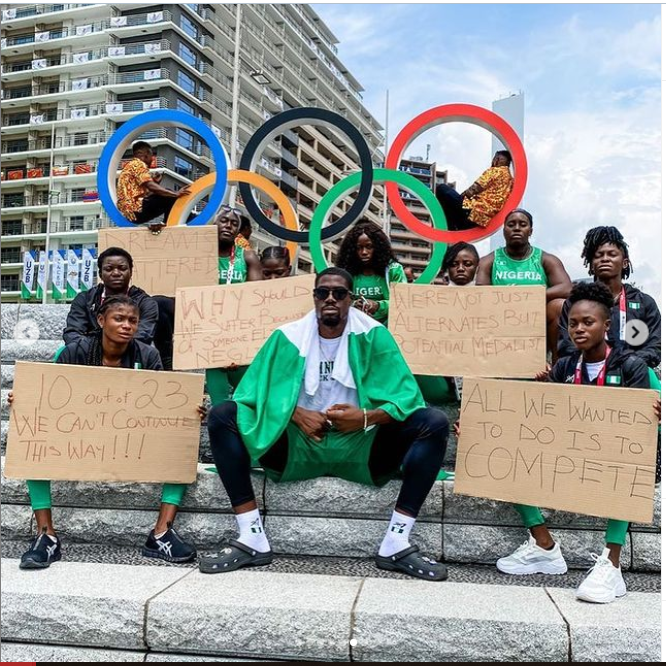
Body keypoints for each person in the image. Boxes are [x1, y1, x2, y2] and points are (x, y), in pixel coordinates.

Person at [200, 268, 449, 580]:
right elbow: (252, 393)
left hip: (361, 445)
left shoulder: (373, 334)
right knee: (223, 415)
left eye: (339, 293)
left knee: (434, 422)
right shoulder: (287, 336)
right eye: (322, 292)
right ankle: (251, 537)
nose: (330, 298)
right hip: (300, 443)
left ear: (352, 299)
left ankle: (396, 542)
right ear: (314, 297)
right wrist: (294, 414)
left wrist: (365, 418)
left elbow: (408, 399)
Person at [457, 282, 659, 603]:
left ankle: (612, 564)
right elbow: (537, 423)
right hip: (568, 459)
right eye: (573, 323)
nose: (578, 329)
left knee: (628, 461)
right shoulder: (564, 367)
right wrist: (480, 426)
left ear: (606, 326)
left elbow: (645, 422)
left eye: (588, 322)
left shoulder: (632, 367)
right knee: (506, 454)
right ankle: (544, 546)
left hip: (611, 461)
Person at [9, 296, 203, 569]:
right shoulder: (74, 353)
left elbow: (164, 410)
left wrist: (189, 411)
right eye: (119, 319)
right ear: (101, 321)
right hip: (78, 437)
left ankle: (161, 532)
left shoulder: (148, 355)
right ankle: (46, 535)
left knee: (182, 440)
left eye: (132, 321)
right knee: (34, 443)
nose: (127, 326)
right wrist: (25, 399)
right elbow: (47, 398)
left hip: (132, 440)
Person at [153, 205, 262, 372]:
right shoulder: (194, 251)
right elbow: (162, 259)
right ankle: (167, 358)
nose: (228, 226)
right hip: (197, 312)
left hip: (230, 316)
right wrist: (159, 236)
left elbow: (255, 298)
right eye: (223, 221)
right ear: (213, 224)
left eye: (234, 223)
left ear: (238, 230)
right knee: (158, 303)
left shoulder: (247, 256)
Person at [476, 208, 572, 361]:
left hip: (536, 320)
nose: (517, 228)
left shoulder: (546, 259)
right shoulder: (489, 261)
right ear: (504, 230)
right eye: (511, 224)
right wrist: (511, 300)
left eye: (522, 224)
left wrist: (527, 296)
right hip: (500, 319)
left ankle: (556, 365)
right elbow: (480, 294)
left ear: (530, 231)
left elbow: (567, 288)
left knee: (559, 306)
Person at [558, 226, 661, 367]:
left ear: (625, 263)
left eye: (612, 254)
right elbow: (566, 346)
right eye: (598, 255)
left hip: (633, 374)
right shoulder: (575, 303)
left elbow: (655, 346)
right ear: (591, 264)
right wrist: (597, 362)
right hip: (585, 373)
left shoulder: (644, 303)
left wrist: (627, 363)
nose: (605, 259)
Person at [63, 247, 158, 346]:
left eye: (122, 268)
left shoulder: (145, 303)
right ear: (100, 274)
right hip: (88, 355)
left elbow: (142, 337)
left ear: (131, 273)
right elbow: (73, 334)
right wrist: (96, 352)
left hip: (129, 357)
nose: (116, 273)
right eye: (109, 269)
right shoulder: (85, 299)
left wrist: (111, 351)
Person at [335, 219, 407, 324]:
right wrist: (354, 305)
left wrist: (378, 306)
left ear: (378, 247)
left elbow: (403, 304)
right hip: (355, 330)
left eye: (369, 247)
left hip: (387, 332)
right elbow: (337, 302)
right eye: (359, 248)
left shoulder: (394, 270)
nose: (364, 252)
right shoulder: (346, 273)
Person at [116, 141, 191, 227]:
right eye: (152, 156)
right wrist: (175, 194)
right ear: (145, 154)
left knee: (165, 195)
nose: (152, 159)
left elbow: (146, 193)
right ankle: (168, 224)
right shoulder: (138, 164)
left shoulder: (129, 167)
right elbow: (150, 186)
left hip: (129, 213)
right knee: (169, 195)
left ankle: (174, 221)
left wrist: (155, 182)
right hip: (136, 211)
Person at [435, 150, 513, 231]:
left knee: (442, 189)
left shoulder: (496, 171)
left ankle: (449, 228)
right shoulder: (511, 181)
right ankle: (454, 228)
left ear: (498, 159)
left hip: (474, 209)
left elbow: (475, 188)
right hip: (484, 220)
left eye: (495, 158)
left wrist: (460, 198)